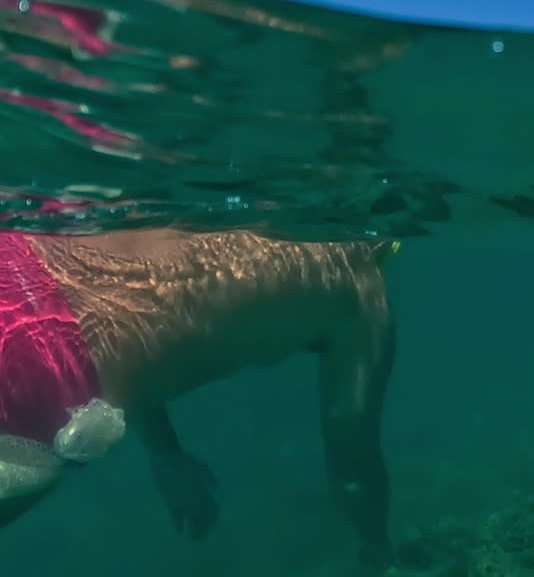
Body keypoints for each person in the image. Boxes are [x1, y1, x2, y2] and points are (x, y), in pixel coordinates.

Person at [0, 228, 400, 569]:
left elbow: (114, 306)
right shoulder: (359, 287)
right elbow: (354, 475)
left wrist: (165, 453)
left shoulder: (207, 199)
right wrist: (378, 551)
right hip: (50, 373)